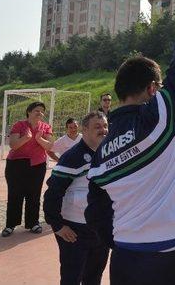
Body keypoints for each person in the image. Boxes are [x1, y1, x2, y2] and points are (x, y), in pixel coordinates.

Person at [85, 0, 175, 285]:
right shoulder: (159, 119)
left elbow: (95, 213)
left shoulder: (100, 155)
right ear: (153, 89)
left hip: (125, 261)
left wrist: (120, 240)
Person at [44, 111, 110, 285]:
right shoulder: (72, 157)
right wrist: (57, 225)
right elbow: (52, 194)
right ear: (85, 130)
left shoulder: (109, 153)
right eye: (97, 127)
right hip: (74, 231)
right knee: (72, 278)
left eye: (105, 126)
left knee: (94, 277)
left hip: (100, 228)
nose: (103, 130)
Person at [2, 101, 54, 237]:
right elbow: (13, 145)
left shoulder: (45, 127)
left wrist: (39, 139)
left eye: (42, 111)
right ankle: (10, 225)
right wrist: (26, 138)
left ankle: (33, 223)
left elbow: (49, 146)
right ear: (29, 112)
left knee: (34, 194)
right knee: (15, 194)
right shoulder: (19, 125)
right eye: (37, 110)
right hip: (16, 164)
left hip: (37, 165)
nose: (40, 113)